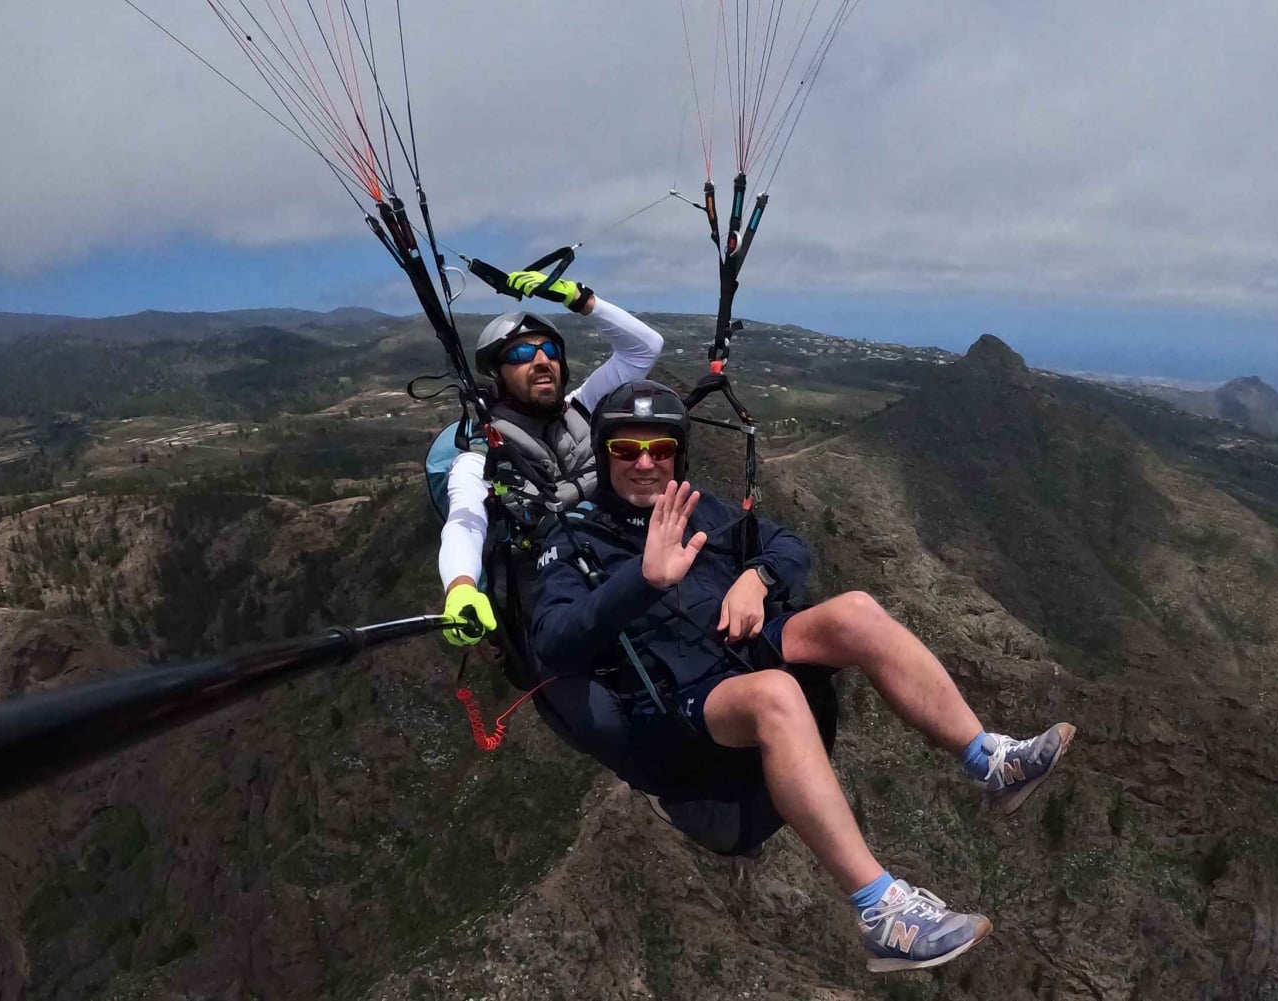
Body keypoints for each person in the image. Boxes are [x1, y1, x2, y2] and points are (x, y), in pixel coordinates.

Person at [527, 380, 1078, 973]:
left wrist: (756, 578)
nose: (644, 463)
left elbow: (788, 544)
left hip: (737, 645)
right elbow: (554, 641)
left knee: (857, 610)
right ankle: (882, 915)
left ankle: (989, 760)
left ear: (677, 453)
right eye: (625, 449)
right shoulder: (574, 541)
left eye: (659, 448)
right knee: (777, 695)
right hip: (674, 701)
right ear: (604, 452)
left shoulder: (698, 509)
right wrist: (643, 579)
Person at [437, 271, 665, 651]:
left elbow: (645, 347)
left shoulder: (584, 407)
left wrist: (578, 298)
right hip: (557, 601)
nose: (541, 360)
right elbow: (465, 521)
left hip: (624, 567)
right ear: (498, 374)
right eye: (522, 354)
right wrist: (460, 586)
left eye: (550, 351)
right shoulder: (483, 456)